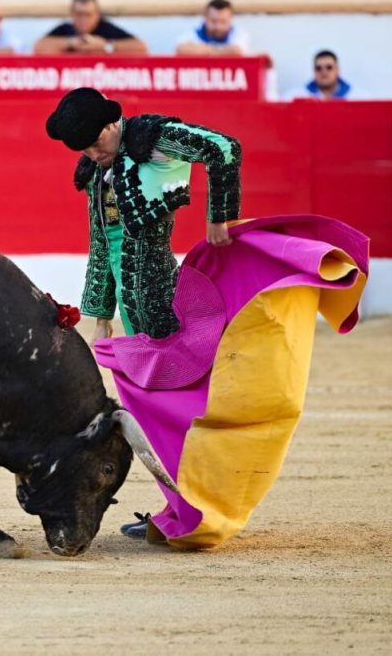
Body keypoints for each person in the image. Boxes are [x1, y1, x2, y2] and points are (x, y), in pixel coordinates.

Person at [46, 88, 242, 540]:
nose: (93, 155)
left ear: (113, 125)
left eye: (96, 144)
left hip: (160, 300)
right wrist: (99, 315)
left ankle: (193, 509)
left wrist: (220, 217)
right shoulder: (97, 172)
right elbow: (102, 245)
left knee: (171, 410)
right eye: (85, 149)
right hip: (132, 311)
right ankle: (178, 509)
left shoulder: (149, 138)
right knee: (149, 413)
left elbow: (224, 149)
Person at [33, 0, 148, 56]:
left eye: (88, 15)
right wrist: (70, 43)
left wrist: (106, 46)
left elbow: (141, 49)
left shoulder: (106, 29)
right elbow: (38, 48)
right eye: (79, 14)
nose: (84, 20)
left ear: (97, 14)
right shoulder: (66, 29)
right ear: (72, 14)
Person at [175, 0, 251, 56]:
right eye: (214, 21)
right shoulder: (193, 32)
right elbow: (181, 49)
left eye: (223, 22)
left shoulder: (239, 33)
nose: (218, 26)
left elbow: (236, 51)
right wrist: (220, 51)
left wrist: (202, 50)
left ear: (231, 19)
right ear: (205, 17)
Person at [285, 50, 357, 101]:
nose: (324, 72)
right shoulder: (293, 97)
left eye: (329, 67)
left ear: (338, 70)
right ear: (313, 71)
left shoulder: (356, 97)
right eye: (318, 68)